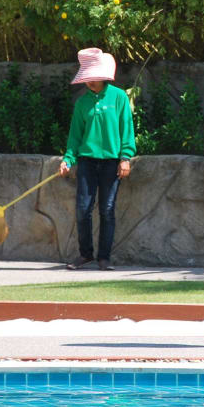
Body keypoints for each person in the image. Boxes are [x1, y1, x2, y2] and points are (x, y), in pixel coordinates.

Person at [60, 47, 136, 270]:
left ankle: (104, 257)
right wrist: (68, 159)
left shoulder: (119, 97)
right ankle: (86, 254)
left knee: (107, 209)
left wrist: (125, 157)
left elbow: (126, 129)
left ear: (103, 75)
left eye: (93, 78)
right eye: (87, 78)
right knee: (83, 209)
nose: (89, 82)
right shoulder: (82, 104)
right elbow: (75, 137)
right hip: (87, 162)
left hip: (112, 162)